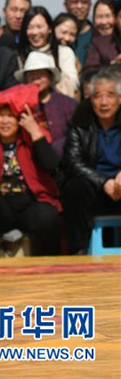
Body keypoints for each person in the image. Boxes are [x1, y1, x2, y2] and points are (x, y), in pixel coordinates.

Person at [0, 85, 62, 257]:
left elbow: (51, 165)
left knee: (47, 215)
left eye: (10, 116)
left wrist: (34, 131)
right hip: (2, 207)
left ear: (19, 119)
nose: (5, 121)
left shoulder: (30, 139)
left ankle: (49, 259)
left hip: (30, 205)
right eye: (1, 116)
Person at [62, 69, 121, 253]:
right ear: (90, 99)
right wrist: (103, 182)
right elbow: (72, 162)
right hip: (95, 190)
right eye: (97, 96)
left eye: (110, 95)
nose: (104, 102)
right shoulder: (80, 122)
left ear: (120, 98)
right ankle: (79, 250)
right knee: (74, 187)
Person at [14, 52, 77, 161]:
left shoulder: (68, 104)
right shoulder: (19, 105)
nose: (36, 78)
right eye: (31, 74)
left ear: (50, 76)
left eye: (41, 73)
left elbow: (76, 137)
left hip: (65, 162)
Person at [18, 6, 80, 98]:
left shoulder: (64, 53)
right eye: (30, 27)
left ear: (50, 29)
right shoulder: (20, 55)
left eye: (39, 27)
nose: (35, 32)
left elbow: (71, 86)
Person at [83, 0, 121, 79]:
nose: (104, 22)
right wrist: (113, 66)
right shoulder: (98, 44)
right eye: (99, 17)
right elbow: (89, 74)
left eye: (108, 16)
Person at [64, 0, 93, 65]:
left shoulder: (97, 37)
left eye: (84, 2)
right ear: (65, 5)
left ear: (90, 6)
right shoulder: (55, 36)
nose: (79, 6)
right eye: (74, 2)